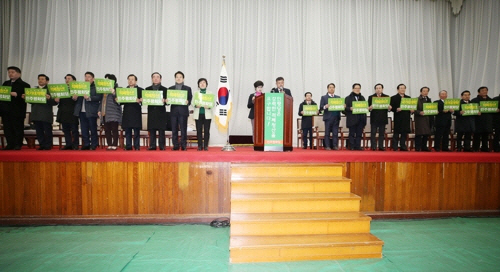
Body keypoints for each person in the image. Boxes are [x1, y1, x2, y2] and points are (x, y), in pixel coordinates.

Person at [0, 66, 30, 150]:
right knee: (7, 129)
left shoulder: (25, 85)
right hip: (5, 111)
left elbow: (27, 98)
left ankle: (18, 144)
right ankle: (10, 144)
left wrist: (17, 95)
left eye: (12, 72)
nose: (10, 74)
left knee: (17, 128)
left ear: (19, 73)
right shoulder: (5, 83)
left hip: (18, 111)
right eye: (9, 72)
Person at [73, 71, 103, 150]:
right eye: (85, 77)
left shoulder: (96, 87)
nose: (87, 78)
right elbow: (76, 98)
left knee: (93, 129)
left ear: (93, 79)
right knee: (84, 129)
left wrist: (89, 98)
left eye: (89, 77)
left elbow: (99, 97)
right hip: (81, 111)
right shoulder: (80, 87)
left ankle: (94, 144)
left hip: (91, 110)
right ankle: (86, 144)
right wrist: (74, 98)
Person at [30, 74, 57, 150]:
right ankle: (42, 145)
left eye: (42, 79)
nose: (40, 80)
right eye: (39, 79)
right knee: (39, 131)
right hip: (36, 113)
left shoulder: (50, 90)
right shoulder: (34, 90)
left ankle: (48, 145)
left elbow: (55, 102)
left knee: (47, 130)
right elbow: (31, 101)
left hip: (46, 114)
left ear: (47, 81)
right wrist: (26, 97)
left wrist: (49, 98)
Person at [167, 71, 192, 151]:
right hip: (174, 112)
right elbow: (168, 102)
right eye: (177, 77)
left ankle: (184, 145)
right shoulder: (170, 89)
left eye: (180, 77)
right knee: (174, 129)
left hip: (183, 112)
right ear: (175, 78)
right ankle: (175, 145)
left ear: (183, 78)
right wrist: (167, 101)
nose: (178, 78)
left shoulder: (187, 88)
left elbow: (190, 98)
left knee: (183, 129)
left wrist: (188, 101)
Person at [56, 74, 79, 150]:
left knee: (74, 130)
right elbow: (58, 101)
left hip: (73, 112)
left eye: (69, 78)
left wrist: (75, 98)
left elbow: (80, 102)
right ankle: (68, 144)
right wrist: (57, 100)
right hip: (63, 112)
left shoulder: (77, 89)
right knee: (65, 130)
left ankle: (75, 145)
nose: (67, 80)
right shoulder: (62, 89)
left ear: (74, 80)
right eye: (66, 79)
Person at [98, 74, 122, 150]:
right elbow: (102, 101)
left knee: (114, 130)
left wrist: (114, 93)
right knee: (107, 130)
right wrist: (99, 110)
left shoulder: (118, 89)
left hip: (114, 113)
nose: (106, 81)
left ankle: (114, 144)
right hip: (105, 112)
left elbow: (119, 101)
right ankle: (109, 144)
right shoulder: (104, 90)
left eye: (107, 80)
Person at [145, 72, 167, 150]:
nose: (156, 78)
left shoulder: (165, 89)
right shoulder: (147, 89)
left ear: (160, 79)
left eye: (157, 77)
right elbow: (145, 101)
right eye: (154, 77)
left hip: (161, 112)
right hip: (151, 111)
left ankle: (162, 146)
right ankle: (152, 145)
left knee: (161, 130)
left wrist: (165, 101)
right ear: (152, 79)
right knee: (152, 129)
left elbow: (168, 102)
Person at [121, 74, 143, 151]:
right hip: (127, 112)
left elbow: (143, 101)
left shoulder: (140, 90)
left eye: (132, 79)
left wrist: (140, 100)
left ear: (136, 81)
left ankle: (137, 146)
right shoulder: (124, 90)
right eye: (129, 79)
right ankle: (128, 146)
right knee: (127, 131)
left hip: (136, 112)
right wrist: (118, 100)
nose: (130, 81)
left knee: (136, 131)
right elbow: (121, 102)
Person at [368, 83, 391, 151]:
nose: (378, 89)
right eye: (377, 88)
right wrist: (370, 108)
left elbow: (388, 109)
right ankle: (373, 146)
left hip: (383, 118)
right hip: (374, 118)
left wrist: (389, 108)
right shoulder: (371, 97)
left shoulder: (386, 97)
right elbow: (368, 108)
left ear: (382, 89)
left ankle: (381, 146)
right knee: (373, 133)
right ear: (375, 89)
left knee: (381, 133)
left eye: (379, 88)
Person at [390, 84, 414, 151]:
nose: (402, 89)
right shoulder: (393, 98)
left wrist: (412, 111)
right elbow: (391, 108)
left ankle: (403, 146)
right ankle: (395, 146)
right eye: (401, 88)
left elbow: (411, 107)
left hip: (406, 117)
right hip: (398, 117)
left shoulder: (408, 98)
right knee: (396, 133)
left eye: (404, 88)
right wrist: (396, 109)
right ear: (398, 89)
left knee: (404, 133)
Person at [319, 83, 342, 150]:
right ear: (328, 89)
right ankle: (327, 146)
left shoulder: (338, 98)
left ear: (334, 89)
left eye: (333, 87)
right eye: (330, 87)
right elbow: (320, 107)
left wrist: (343, 107)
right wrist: (325, 106)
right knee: (327, 133)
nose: (332, 89)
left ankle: (335, 146)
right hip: (328, 118)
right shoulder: (324, 97)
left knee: (335, 133)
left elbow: (340, 108)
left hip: (336, 117)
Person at [344, 83, 367, 150]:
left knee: (359, 134)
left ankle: (358, 146)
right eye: (356, 88)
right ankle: (351, 146)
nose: (357, 89)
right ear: (352, 89)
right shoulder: (348, 98)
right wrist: (349, 108)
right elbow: (345, 109)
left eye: (358, 88)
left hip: (361, 119)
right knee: (352, 134)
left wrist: (367, 108)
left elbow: (364, 107)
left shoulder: (362, 98)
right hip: (352, 119)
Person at [471, 86, 494, 152]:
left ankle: (485, 148)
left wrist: (496, 109)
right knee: (477, 136)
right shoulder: (474, 100)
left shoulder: (491, 101)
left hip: (487, 120)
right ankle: (475, 148)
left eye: (486, 90)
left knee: (486, 136)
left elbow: (493, 110)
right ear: (479, 92)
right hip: (477, 120)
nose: (484, 92)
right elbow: (470, 110)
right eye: (483, 90)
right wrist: (476, 111)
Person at [193, 78, 213, 151]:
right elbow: (192, 102)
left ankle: (206, 146)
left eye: (204, 82)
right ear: (198, 85)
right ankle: (199, 146)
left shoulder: (209, 93)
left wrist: (209, 106)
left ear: (206, 84)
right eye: (200, 82)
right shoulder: (196, 93)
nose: (202, 84)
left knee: (207, 131)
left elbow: (212, 103)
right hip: (198, 114)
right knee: (199, 131)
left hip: (207, 114)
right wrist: (195, 105)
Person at [414, 87, 433, 151]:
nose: (425, 92)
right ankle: (417, 147)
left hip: (428, 118)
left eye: (427, 91)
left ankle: (424, 147)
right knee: (419, 134)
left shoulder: (429, 100)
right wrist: (419, 112)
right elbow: (413, 109)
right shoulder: (417, 99)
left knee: (426, 134)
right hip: (420, 119)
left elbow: (431, 108)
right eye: (424, 91)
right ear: (421, 92)